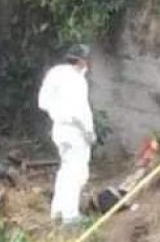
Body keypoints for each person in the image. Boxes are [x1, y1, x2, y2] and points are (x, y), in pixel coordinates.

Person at [38, 44, 96, 228]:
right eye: (87, 59)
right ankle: (70, 216)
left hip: (59, 130)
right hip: (75, 132)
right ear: (81, 61)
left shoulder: (55, 73)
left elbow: (42, 103)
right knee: (77, 173)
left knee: (66, 170)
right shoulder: (77, 81)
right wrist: (89, 132)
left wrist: (57, 112)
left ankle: (57, 211)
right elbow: (80, 112)